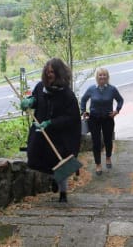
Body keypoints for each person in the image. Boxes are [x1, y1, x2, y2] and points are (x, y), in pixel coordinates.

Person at [20, 58, 81, 203]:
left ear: (59, 73)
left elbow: (71, 117)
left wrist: (51, 123)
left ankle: (63, 193)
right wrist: (30, 101)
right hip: (42, 133)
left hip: (61, 136)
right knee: (35, 157)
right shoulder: (41, 87)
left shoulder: (67, 95)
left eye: (52, 72)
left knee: (60, 162)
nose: (49, 75)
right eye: (47, 72)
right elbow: (36, 99)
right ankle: (54, 177)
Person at [80, 67, 124, 176]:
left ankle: (108, 157)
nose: (102, 77)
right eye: (100, 75)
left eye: (104, 75)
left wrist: (117, 111)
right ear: (97, 77)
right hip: (94, 119)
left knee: (108, 140)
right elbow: (83, 99)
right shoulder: (91, 89)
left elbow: (120, 100)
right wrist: (83, 111)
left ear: (107, 77)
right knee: (96, 142)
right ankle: (98, 164)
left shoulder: (112, 89)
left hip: (108, 118)